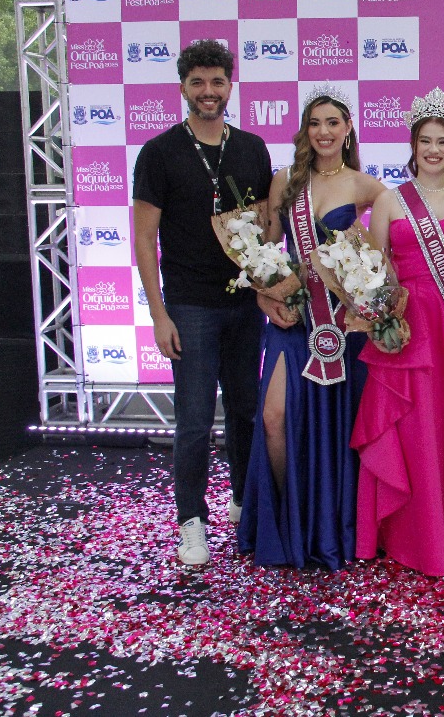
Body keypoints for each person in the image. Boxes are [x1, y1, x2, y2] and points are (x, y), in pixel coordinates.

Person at [350, 89, 444, 575]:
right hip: (404, 330)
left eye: (442, 142)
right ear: (413, 146)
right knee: (410, 427)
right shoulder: (389, 200)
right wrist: (378, 320)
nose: (433, 150)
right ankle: (409, 534)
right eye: (425, 141)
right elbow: (374, 273)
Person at [132, 39, 273, 566]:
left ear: (230, 86)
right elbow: (144, 238)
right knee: (193, 420)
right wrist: (158, 313)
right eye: (198, 83)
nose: (208, 91)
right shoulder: (159, 152)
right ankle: (191, 521)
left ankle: (242, 502)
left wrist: (270, 288)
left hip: (244, 304)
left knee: (245, 411)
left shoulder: (252, 148)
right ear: (183, 88)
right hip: (189, 306)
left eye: (217, 81)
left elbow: (265, 229)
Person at [237, 88, 385, 569]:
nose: (323, 131)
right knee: (274, 418)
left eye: (333, 122)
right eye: (315, 123)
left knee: (337, 427)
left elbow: (387, 249)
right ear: (305, 131)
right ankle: (286, 523)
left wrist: (375, 294)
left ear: (348, 130)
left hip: (341, 325)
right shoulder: (285, 181)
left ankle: (333, 527)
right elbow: (268, 252)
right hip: (294, 318)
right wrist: (264, 296)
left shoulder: (365, 186)